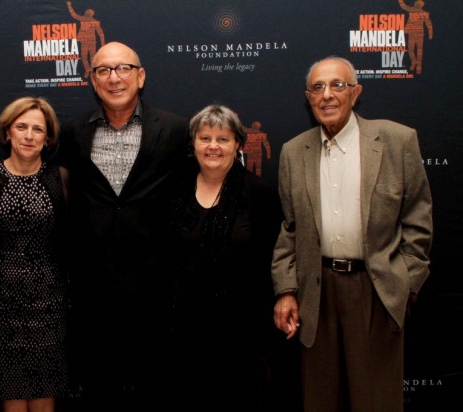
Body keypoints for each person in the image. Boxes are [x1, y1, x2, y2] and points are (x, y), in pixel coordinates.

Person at [271, 56, 433, 412]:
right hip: (317, 291)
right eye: (318, 88)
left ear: (355, 93)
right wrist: (285, 289)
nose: (327, 95)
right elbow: (290, 228)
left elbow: (418, 221)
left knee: (376, 401)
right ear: (308, 97)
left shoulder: (397, 141)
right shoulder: (293, 152)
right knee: (321, 400)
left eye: (337, 86)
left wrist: (404, 282)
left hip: (375, 289)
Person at [58, 41, 189, 411]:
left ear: (140, 76)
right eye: (103, 70)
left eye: (123, 68)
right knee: (101, 386)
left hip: (158, 286)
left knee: (157, 386)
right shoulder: (72, 133)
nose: (114, 78)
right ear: (93, 80)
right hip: (93, 287)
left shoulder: (177, 129)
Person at [166, 104, 282, 411]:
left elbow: (275, 256)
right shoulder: (174, 192)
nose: (213, 146)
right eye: (205, 138)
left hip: (241, 326)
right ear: (193, 144)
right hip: (183, 325)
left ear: (238, 145)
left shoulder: (259, 194)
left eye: (223, 139)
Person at [0, 96, 69, 412]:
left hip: (49, 300)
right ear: (7, 132)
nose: (29, 136)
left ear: (48, 137)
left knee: (44, 390)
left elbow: (69, 241)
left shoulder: (60, 178)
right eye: (21, 127)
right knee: (10, 391)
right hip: (1, 302)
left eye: (37, 129)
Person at [66, 1, 106, 79]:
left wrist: (103, 44)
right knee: (85, 57)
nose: (86, 14)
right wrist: (69, 5)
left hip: (91, 42)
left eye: (87, 13)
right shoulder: (86, 19)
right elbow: (74, 15)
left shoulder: (94, 22)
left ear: (89, 14)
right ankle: (88, 70)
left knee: (91, 57)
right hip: (86, 41)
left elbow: (100, 33)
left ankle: (92, 72)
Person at [398, 0, 433, 74]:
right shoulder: (413, 10)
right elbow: (403, 6)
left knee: (418, 51)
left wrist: (430, 34)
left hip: (419, 34)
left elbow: (429, 24)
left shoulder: (423, 13)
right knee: (412, 50)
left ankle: (418, 67)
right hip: (412, 33)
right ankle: (414, 62)